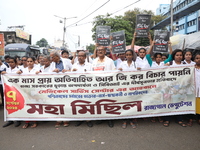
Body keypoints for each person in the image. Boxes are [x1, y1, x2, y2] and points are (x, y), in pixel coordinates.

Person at [92, 45, 116, 127]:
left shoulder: (110, 61)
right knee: (100, 102)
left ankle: (110, 119)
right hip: (98, 86)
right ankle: (101, 118)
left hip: (108, 85)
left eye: (102, 50)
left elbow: (114, 72)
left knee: (108, 102)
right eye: (98, 50)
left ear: (105, 51)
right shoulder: (94, 61)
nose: (100, 51)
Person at [163, 50, 187, 127]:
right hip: (171, 87)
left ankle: (179, 119)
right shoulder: (169, 64)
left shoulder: (185, 64)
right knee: (170, 102)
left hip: (181, 87)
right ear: (174, 56)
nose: (179, 56)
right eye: (177, 55)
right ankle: (167, 119)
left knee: (179, 103)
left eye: (180, 55)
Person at [118, 49, 139, 129]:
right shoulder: (122, 64)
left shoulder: (136, 64)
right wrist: (119, 70)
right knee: (124, 103)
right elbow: (116, 74)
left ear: (133, 55)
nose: (129, 56)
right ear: (125, 56)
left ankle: (131, 120)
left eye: (130, 55)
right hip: (124, 86)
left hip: (133, 86)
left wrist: (139, 70)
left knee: (132, 103)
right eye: (127, 55)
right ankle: (124, 120)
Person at [17, 56, 40, 129]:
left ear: (34, 62)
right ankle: (27, 122)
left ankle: (35, 121)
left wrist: (39, 73)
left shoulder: (37, 69)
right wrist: (17, 73)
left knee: (33, 105)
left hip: (34, 90)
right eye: (28, 61)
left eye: (31, 61)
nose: (29, 63)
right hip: (25, 90)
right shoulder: (23, 70)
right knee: (26, 105)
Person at [71, 51, 93, 127]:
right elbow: (70, 78)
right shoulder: (74, 66)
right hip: (77, 88)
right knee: (78, 103)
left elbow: (93, 76)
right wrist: (72, 72)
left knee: (87, 103)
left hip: (87, 88)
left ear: (84, 57)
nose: (79, 57)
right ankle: (80, 119)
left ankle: (88, 120)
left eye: (81, 56)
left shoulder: (89, 66)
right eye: (78, 56)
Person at [2, 57, 21, 127]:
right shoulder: (6, 69)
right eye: (9, 62)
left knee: (17, 103)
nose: (10, 63)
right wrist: (2, 72)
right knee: (9, 104)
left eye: (12, 62)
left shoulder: (19, 69)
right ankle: (10, 119)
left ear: (15, 63)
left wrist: (19, 73)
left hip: (17, 90)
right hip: (8, 90)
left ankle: (17, 120)